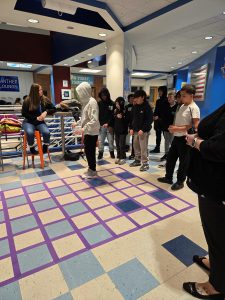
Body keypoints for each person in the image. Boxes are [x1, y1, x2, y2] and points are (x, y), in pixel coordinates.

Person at [183, 104, 225, 299]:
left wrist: (195, 142)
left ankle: (217, 286)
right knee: (214, 233)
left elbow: (220, 148)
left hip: (218, 188)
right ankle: (216, 267)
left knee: (218, 235)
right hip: (214, 185)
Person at [158, 84, 200, 190]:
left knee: (183, 161)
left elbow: (194, 125)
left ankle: (180, 181)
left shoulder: (194, 108)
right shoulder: (182, 106)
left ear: (192, 95)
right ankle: (168, 177)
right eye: (181, 95)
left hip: (185, 139)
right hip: (177, 137)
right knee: (171, 158)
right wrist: (174, 127)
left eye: (184, 95)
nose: (181, 98)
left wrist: (177, 128)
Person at [75, 82, 100, 179]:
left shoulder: (92, 102)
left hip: (92, 132)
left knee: (90, 151)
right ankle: (91, 169)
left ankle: (92, 171)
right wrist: (77, 123)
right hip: (88, 131)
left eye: (80, 92)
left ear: (85, 91)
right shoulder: (86, 103)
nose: (79, 95)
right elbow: (85, 117)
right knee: (88, 151)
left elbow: (94, 120)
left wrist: (82, 129)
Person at [22, 83, 56, 155]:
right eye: (39, 90)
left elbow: (54, 108)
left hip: (39, 122)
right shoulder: (27, 100)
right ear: (34, 91)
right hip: (29, 122)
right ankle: (31, 147)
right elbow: (24, 113)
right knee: (30, 132)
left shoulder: (44, 99)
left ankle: (45, 146)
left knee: (46, 132)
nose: (41, 91)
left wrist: (46, 112)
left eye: (41, 89)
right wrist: (36, 118)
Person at [129, 90, 153, 171]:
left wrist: (143, 129)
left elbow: (149, 120)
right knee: (135, 146)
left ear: (143, 97)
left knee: (143, 147)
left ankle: (145, 163)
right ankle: (137, 160)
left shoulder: (147, 107)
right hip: (135, 130)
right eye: (135, 98)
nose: (135, 100)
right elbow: (132, 118)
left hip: (143, 131)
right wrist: (131, 128)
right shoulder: (135, 106)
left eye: (137, 98)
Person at [98, 88, 115, 159]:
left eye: (105, 95)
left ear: (107, 95)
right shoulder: (99, 103)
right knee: (101, 141)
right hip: (101, 126)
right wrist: (98, 124)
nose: (103, 97)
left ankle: (112, 152)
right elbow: (97, 114)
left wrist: (109, 124)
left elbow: (113, 116)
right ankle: (100, 153)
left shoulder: (112, 103)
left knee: (110, 141)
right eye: (102, 95)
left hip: (110, 126)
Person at [150, 86, 168, 154]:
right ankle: (157, 148)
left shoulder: (167, 101)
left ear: (164, 92)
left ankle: (167, 150)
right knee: (158, 135)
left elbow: (166, 112)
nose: (159, 93)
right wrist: (154, 116)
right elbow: (156, 110)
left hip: (164, 121)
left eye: (161, 91)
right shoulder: (158, 101)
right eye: (159, 91)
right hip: (157, 121)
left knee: (166, 137)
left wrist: (159, 117)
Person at [114, 97, 128, 165]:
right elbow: (113, 119)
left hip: (123, 131)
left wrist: (122, 116)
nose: (117, 105)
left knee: (121, 144)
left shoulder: (125, 110)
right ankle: (119, 156)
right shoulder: (115, 111)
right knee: (117, 144)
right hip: (116, 130)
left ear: (121, 103)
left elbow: (127, 121)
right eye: (116, 103)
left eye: (118, 103)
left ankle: (123, 157)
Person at [125, 94, 135, 159]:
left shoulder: (136, 106)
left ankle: (133, 153)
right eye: (130, 98)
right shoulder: (126, 107)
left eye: (133, 98)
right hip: (127, 124)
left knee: (134, 140)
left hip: (134, 125)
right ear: (128, 99)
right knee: (127, 137)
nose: (132, 100)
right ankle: (127, 147)